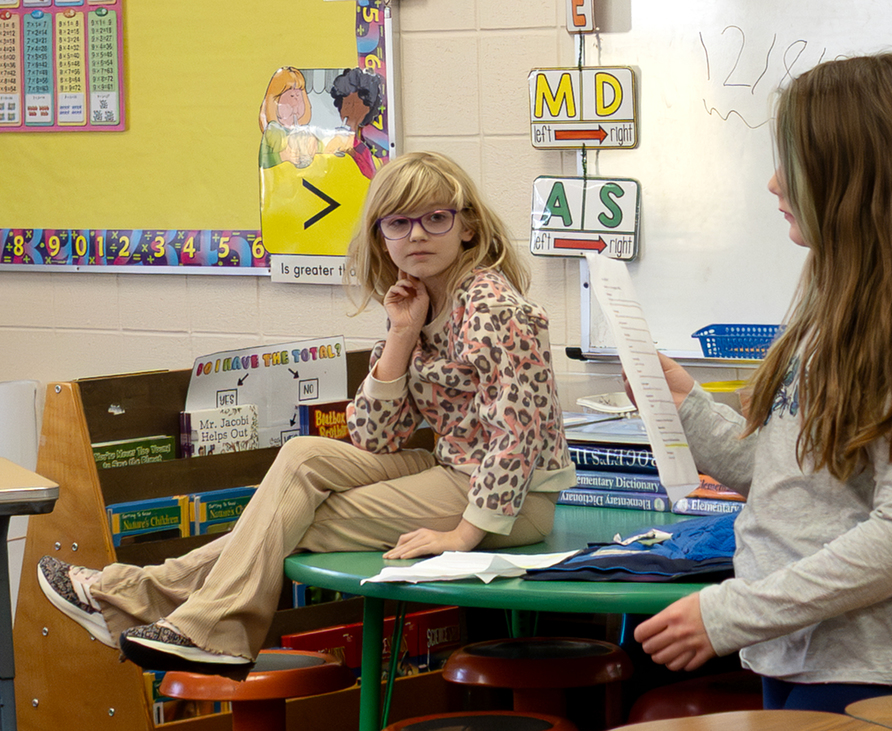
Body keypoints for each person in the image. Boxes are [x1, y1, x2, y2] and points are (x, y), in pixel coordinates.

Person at [37, 150, 576, 673]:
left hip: (512, 500)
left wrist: (463, 536)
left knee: (306, 517)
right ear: (380, 238)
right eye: (399, 222)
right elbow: (373, 438)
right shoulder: (421, 304)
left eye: (436, 218)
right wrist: (402, 335)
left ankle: (186, 619)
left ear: (469, 228)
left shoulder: (494, 308)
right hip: (451, 468)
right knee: (301, 456)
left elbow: (517, 435)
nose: (416, 235)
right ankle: (144, 601)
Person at [629, 53, 892, 713]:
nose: (774, 182)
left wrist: (731, 612)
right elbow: (792, 479)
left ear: (857, 177)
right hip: (803, 650)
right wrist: (685, 403)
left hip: (889, 667)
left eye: (794, 161)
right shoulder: (828, 307)